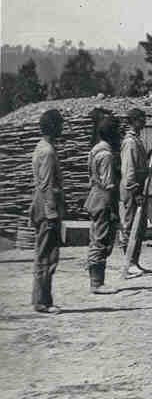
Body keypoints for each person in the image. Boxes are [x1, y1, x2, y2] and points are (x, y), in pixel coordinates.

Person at [30, 109, 66, 314]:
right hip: (46, 208)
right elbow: (46, 185)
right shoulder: (47, 152)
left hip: (43, 206)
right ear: (53, 127)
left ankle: (42, 299)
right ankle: (42, 302)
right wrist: (52, 213)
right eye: (60, 124)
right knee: (47, 255)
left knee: (45, 254)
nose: (62, 128)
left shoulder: (43, 147)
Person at [85, 114, 122, 294]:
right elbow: (109, 184)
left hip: (94, 197)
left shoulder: (95, 150)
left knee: (96, 238)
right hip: (103, 200)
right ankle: (97, 282)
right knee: (101, 239)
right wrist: (113, 209)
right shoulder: (107, 155)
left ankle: (96, 278)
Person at [119, 108, 151, 277]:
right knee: (131, 225)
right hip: (133, 189)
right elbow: (129, 170)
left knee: (139, 227)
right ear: (135, 121)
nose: (145, 122)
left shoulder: (136, 140)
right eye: (142, 119)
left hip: (138, 188)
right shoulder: (130, 142)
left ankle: (134, 261)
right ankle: (129, 262)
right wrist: (135, 191)